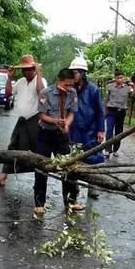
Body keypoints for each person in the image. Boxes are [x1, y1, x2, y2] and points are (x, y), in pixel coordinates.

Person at [0, 54, 46, 186]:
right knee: (13, 146)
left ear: (34, 69)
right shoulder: (21, 82)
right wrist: (9, 77)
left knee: (37, 151)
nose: (26, 71)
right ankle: (3, 175)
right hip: (22, 119)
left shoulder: (41, 80)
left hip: (35, 119)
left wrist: (39, 73)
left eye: (29, 69)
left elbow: (41, 92)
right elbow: (8, 93)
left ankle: (39, 181)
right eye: (24, 69)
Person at [34, 68, 83, 215]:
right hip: (45, 134)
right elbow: (42, 116)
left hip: (61, 135)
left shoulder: (72, 93)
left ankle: (70, 201)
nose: (69, 88)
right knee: (42, 167)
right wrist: (56, 121)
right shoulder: (45, 93)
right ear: (59, 81)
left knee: (68, 167)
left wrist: (66, 124)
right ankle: (39, 203)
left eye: (71, 85)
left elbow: (72, 113)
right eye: (66, 85)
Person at [68, 54, 105, 199]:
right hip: (73, 128)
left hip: (90, 128)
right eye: (72, 72)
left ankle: (93, 187)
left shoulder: (93, 90)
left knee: (92, 158)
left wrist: (101, 130)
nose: (74, 75)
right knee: (73, 158)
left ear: (83, 73)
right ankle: (73, 187)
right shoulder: (70, 88)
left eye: (76, 72)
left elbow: (100, 111)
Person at [104, 70, 135, 159]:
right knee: (109, 130)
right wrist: (104, 111)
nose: (120, 79)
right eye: (118, 78)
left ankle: (115, 150)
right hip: (111, 111)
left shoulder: (128, 88)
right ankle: (107, 150)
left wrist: (133, 86)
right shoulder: (110, 87)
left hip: (121, 112)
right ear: (115, 78)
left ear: (124, 78)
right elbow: (106, 99)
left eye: (122, 77)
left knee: (119, 132)